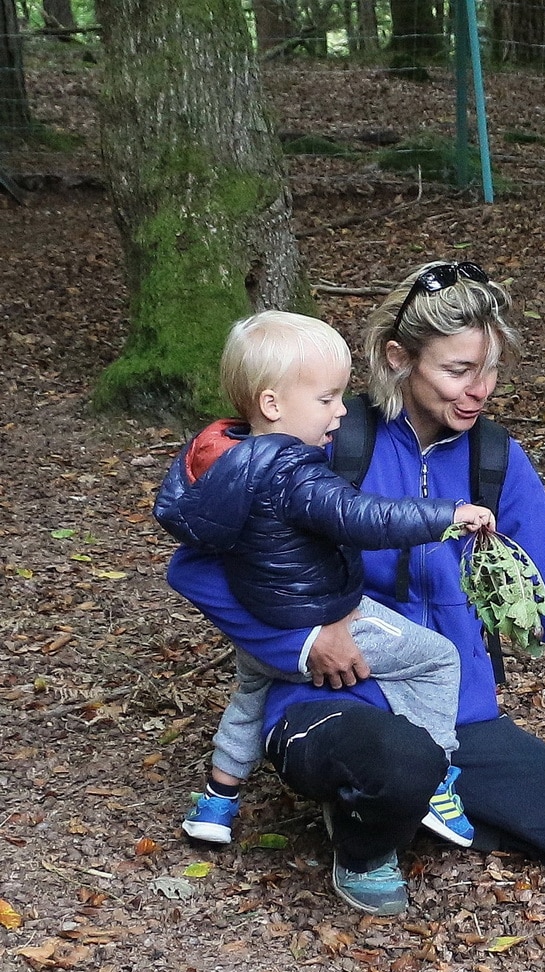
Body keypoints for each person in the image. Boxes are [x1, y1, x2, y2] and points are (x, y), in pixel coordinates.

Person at [165, 262, 545, 916]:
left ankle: (401, 810)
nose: (478, 389)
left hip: (455, 716)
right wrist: (308, 638)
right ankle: (366, 837)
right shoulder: (322, 438)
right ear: (399, 358)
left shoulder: (495, 460)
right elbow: (199, 565)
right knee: (400, 758)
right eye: (458, 371)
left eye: (488, 370)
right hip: (332, 700)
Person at [155, 312, 494, 858]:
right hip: (318, 615)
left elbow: (199, 556)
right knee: (437, 659)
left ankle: (218, 802)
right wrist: (445, 516)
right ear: (273, 405)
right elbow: (360, 517)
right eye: (327, 399)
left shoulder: (218, 460)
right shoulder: (294, 472)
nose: (341, 410)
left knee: (249, 696)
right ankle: (436, 777)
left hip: (264, 630)